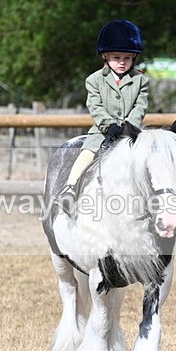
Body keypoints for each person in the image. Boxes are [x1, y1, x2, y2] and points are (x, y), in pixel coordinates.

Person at [57, 19, 149, 212]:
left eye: (127, 58)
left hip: (130, 133)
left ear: (134, 57)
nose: (122, 62)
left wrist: (128, 127)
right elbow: (95, 106)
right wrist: (108, 125)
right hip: (102, 131)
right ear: (105, 56)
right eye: (116, 57)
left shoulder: (141, 80)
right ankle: (70, 189)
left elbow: (140, 107)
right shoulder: (94, 80)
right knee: (86, 153)